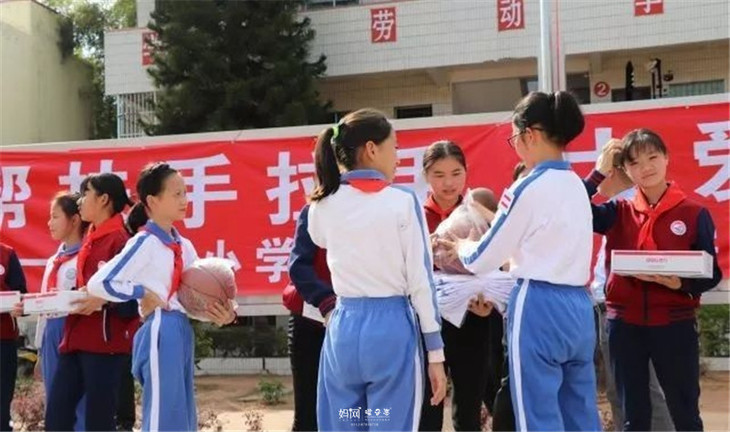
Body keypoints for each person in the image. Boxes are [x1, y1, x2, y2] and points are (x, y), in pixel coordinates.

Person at [442, 91, 601, 431]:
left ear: (530, 134)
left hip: (538, 305)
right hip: (579, 305)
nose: (515, 145)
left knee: (536, 414)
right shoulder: (576, 183)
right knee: (580, 411)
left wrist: (463, 246)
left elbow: (484, 257)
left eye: (514, 137)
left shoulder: (526, 187)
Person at [307, 108, 447, 431]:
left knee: (346, 423)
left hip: (343, 329)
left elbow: (318, 238)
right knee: (387, 424)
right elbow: (420, 281)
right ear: (372, 149)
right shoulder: (402, 201)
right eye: (394, 147)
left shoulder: (322, 203)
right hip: (391, 331)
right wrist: (435, 353)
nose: (397, 156)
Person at [586, 130, 723, 431]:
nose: (645, 168)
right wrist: (598, 175)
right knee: (633, 415)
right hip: (624, 326)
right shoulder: (617, 211)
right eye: (634, 163)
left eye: (652, 157)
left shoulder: (693, 213)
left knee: (685, 413)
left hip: (675, 323)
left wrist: (680, 284)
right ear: (625, 170)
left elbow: (712, 273)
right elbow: (569, 210)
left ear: (666, 158)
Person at [86, 163, 235, 431]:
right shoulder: (144, 242)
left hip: (181, 328)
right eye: (176, 194)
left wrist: (223, 314)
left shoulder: (183, 245)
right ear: (153, 201)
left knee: (182, 414)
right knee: (161, 414)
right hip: (158, 326)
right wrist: (141, 292)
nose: (184, 200)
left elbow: (192, 298)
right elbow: (99, 283)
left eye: (185, 193)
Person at [45, 173, 138, 432]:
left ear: (104, 199)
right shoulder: (90, 238)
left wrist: (104, 300)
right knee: (56, 416)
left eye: (86, 194)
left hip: (104, 345)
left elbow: (134, 298)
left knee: (99, 421)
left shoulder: (121, 241)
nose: (81, 201)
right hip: (74, 339)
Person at [588, 165, 674, 432]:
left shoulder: (633, 205)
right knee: (620, 390)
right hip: (607, 307)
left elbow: (572, 204)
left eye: (602, 169)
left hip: (627, 309)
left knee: (641, 390)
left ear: (613, 171)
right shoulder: (620, 204)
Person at [419, 140, 495, 431]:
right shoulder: (414, 216)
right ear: (426, 175)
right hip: (427, 324)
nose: (448, 183)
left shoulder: (480, 211)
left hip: (473, 320)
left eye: (456, 173)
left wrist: (489, 304)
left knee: (468, 412)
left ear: (466, 172)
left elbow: (500, 265)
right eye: (439, 175)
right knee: (428, 410)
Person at [34, 192, 87, 431]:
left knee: (79, 400)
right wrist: (40, 348)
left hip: (74, 330)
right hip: (51, 332)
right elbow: (43, 305)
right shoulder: (53, 261)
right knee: (54, 399)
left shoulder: (85, 257)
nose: (49, 223)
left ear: (74, 220)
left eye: (55, 217)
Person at [285, 202, 335, 432]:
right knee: (308, 417)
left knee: (355, 414)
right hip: (311, 322)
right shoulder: (314, 211)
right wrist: (327, 302)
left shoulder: (377, 210)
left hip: (358, 323)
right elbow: (298, 266)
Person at [490, 162, 528, 432]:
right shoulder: (508, 217)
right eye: (524, 181)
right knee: (511, 382)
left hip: (557, 313)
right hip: (517, 312)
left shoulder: (561, 216)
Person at [0, 243, 27, 432]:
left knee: (2, 403)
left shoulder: (6, 254)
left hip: (3, 340)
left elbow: (22, 296)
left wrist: (19, 306)